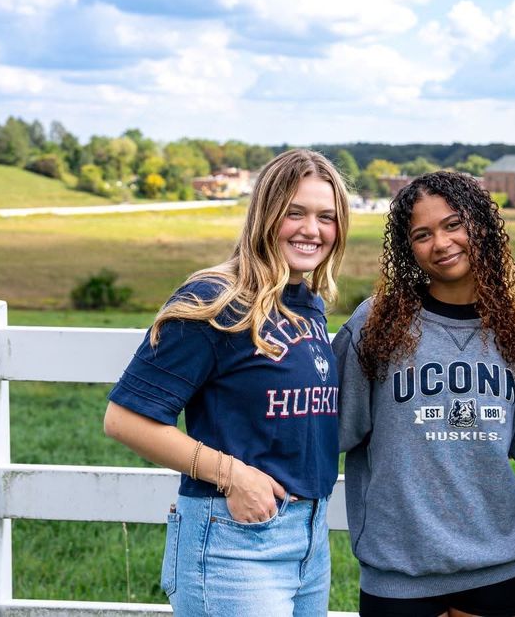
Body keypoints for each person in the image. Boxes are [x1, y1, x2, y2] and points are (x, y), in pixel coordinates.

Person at [103, 149, 350, 616]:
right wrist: (234, 476)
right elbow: (125, 420)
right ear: (265, 214)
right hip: (234, 541)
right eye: (294, 212)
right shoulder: (216, 299)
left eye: (326, 217)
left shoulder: (307, 304)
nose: (312, 230)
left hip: (309, 539)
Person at [335, 171, 515, 617]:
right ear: (407, 247)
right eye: (423, 233)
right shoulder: (377, 324)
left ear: (481, 226)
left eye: (454, 224)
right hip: (399, 569)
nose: (441, 242)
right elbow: (329, 428)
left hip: (499, 564)